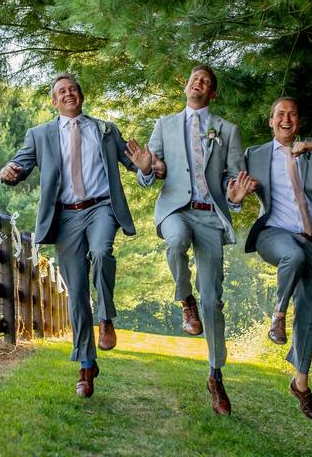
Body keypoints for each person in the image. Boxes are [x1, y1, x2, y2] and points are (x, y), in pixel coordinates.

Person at [0, 74, 140, 398]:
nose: (68, 95)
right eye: (61, 92)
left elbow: (135, 163)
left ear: (82, 95)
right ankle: (86, 365)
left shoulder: (105, 130)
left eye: (73, 89)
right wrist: (8, 172)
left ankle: (106, 317)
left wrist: (150, 166)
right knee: (76, 291)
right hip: (66, 216)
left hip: (101, 207)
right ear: (54, 101)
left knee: (103, 251)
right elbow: (17, 166)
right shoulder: (40, 135)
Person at [228, 97, 312, 421]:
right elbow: (230, 189)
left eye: (292, 114)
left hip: (311, 238)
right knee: (292, 255)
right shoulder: (254, 155)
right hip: (273, 234)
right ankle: (277, 315)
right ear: (271, 122)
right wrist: (236, 199)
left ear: (297, 121)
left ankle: (301, 384)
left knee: (310, 314)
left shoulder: (311, 153)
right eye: (280, 115)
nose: (286, 119)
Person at [125, 65, 245, 415]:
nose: (198, 82)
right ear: (186, 85)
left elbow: (233, 178)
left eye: (206, 81)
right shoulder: (164, 124)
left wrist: (234, 196)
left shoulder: (227, 130)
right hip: (175, 208)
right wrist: (146, 168)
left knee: (214, 301)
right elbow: (150, 172)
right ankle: (184, 299)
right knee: (175, 242)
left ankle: (216, 375)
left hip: (209, 214)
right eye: (194, 78)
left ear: (212, 93)